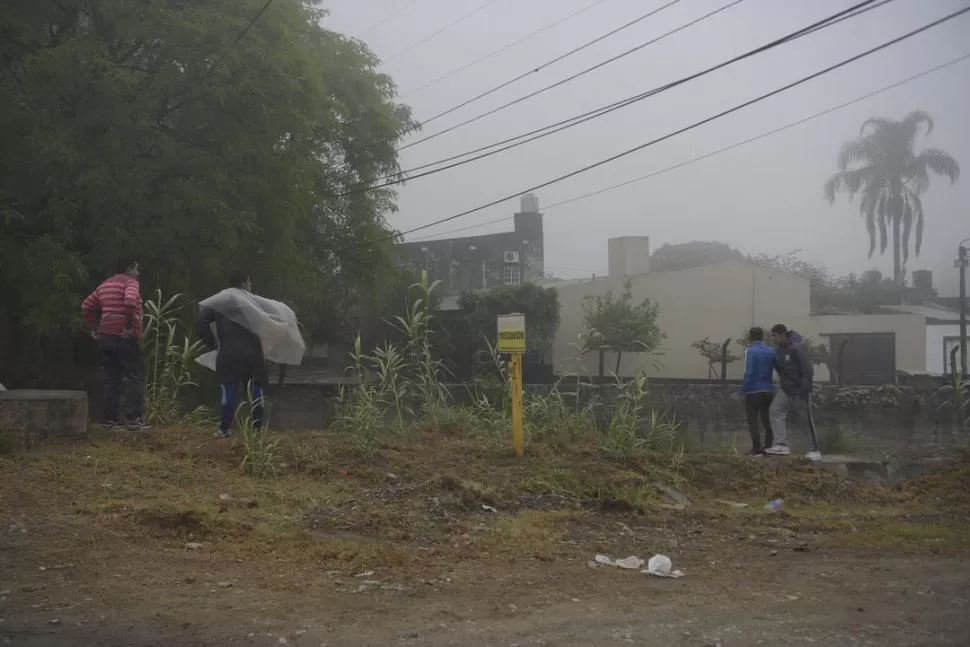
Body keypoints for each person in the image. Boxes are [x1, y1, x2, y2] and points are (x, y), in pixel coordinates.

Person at [196, 270, 268, 438]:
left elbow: (201, 323)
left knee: (229, 389)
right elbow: (272, 317)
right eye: (249, 282)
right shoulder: (255, 301)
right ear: (244, 283)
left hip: (229, 353)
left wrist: (212, 343)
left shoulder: (220, 301)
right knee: (256, 389)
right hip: (253, 354)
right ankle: (257, 430)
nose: (250, 286)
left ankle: (224, 428)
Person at [81, 258, 149, 431]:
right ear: (129, 268)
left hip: (106, 336)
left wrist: (93, 327)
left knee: (112, 378)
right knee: (135, 376)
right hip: (125, 337)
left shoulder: (105, 284)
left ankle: (109, 419)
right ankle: (135, 419)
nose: (138, 273)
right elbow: (130, 302)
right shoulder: (130, 282)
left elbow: (86, 305)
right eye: (136, 268)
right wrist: (127, 326)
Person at [765, 324, 821, 461]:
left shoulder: (797, 347)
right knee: (775, 410)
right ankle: (781, 444)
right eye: (772, 336)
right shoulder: (780, 350)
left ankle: (814, 450)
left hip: (799, 390)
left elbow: (807, 369)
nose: (773, 339)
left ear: (783, 335)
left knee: (804, 419)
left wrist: (803, 389)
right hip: (786, 389)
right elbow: (781, 368)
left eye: (775, 336)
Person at [740, 326, 776, 456]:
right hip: (768, 390)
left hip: (753, 390)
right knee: (767, 419)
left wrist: (744, 389)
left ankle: (756, 448)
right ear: (763, 337)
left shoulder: (750, 351)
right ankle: (768, 446)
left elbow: (748, 372)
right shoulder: (771, 351)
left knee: (753, 420)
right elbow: (777, 367)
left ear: (750, 337)